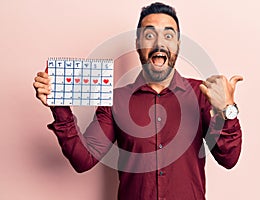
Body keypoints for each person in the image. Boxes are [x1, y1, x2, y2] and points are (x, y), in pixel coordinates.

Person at [33, 2, 243, 200]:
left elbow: (229, 159)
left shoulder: (202, 94)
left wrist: (227, 109)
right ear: (137, 44)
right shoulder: (115, 101)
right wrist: (59, 105)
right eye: (149, 35)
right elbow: (83, 159)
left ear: (177, 45)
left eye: (168, 35)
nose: (159, 43)